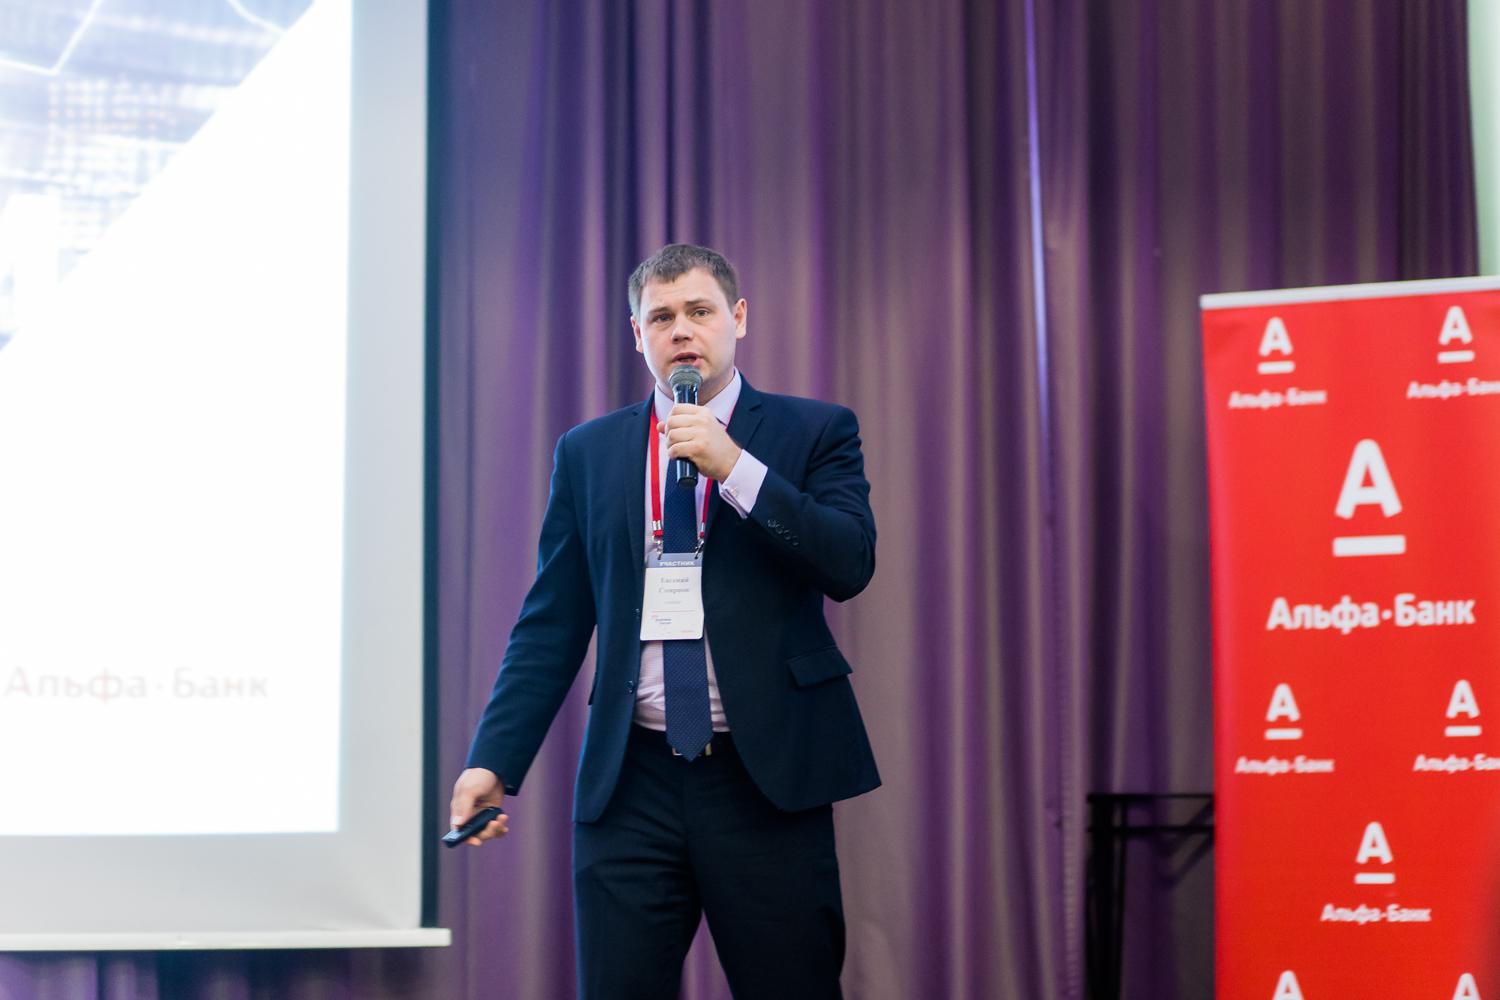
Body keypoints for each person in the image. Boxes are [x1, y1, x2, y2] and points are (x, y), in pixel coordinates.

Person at [450, 243, 879, 999]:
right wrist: (494, 759)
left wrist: (736, 467)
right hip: (633, 780)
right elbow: (551, 623)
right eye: (662, 317)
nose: (681, 330)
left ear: (738, 318)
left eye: (700, 311)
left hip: (765, 777)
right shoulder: (589, 452)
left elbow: (849, 564)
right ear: (637, 333)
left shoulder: (814, 431)